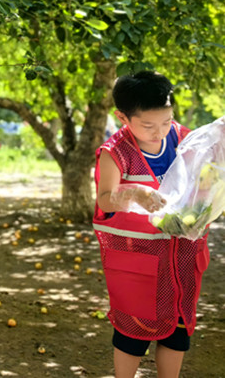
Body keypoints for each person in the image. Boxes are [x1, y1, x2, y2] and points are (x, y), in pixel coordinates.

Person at [93, 71, 210, 378]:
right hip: (137, 263)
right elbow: (105, 199)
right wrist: (134, 194)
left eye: (166, 121)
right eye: (148, 125)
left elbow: (204, 177)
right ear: (122, 117)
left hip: (182, 258)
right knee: (132, 332)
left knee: (178, 331)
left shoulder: (183, 138)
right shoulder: (114, 153)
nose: (159, 131)